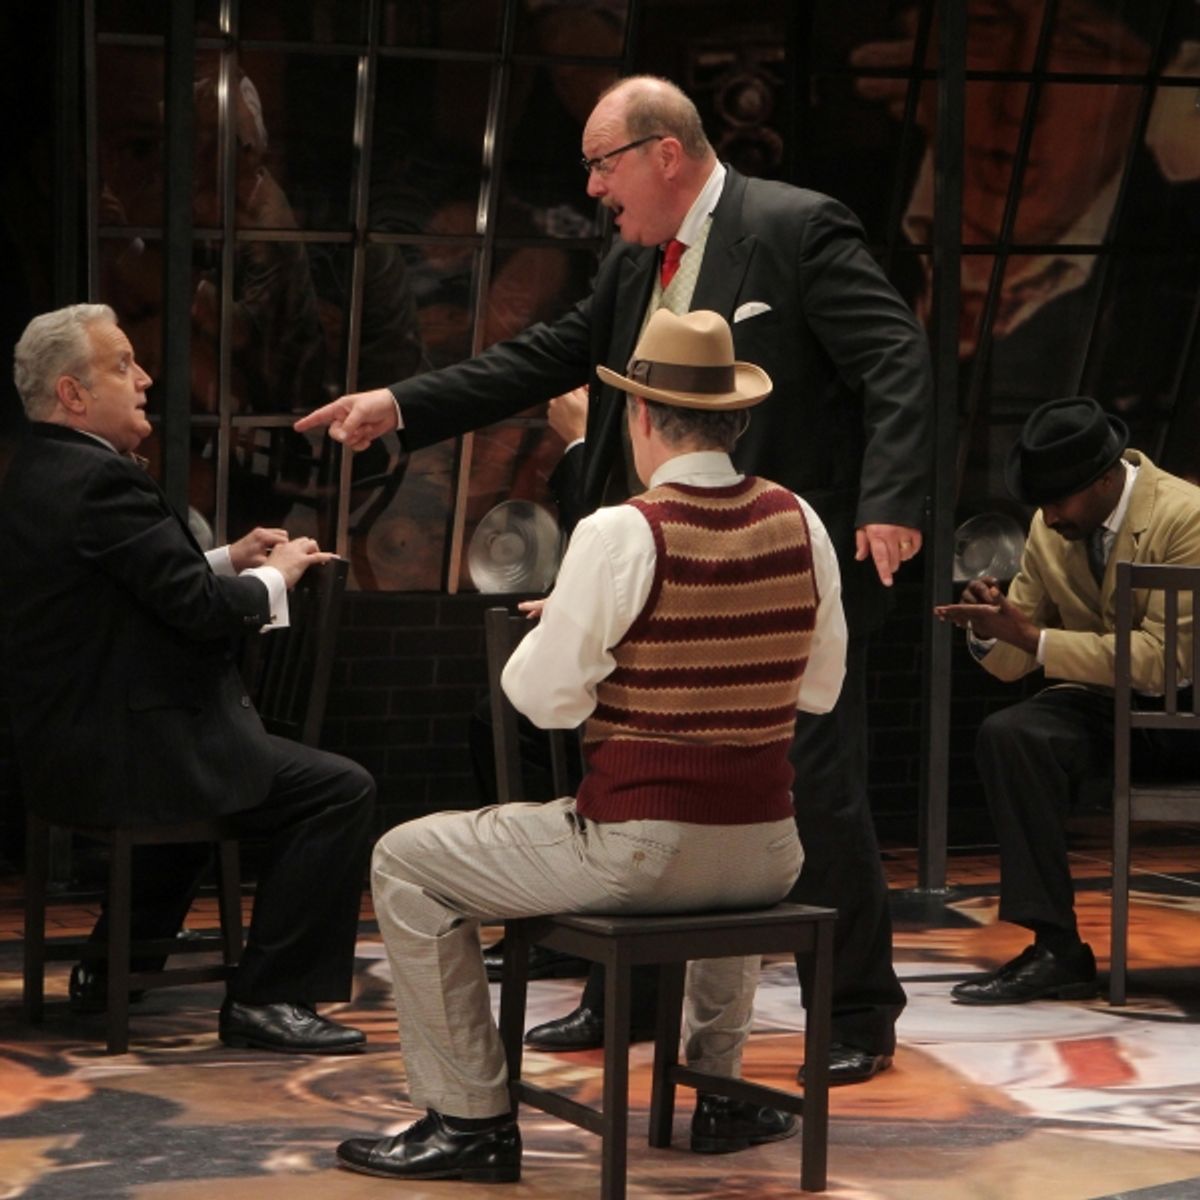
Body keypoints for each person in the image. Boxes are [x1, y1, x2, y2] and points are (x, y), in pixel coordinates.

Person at [297, 73, 931, 1085]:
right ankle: (623, 996)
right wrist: (402, 404)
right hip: (651, 553)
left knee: (814, 781)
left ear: (662, 154)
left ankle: (856, 1010)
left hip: (769, 552)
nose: (592, 188)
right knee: (625, 760)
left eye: (602, 164)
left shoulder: (796, 227)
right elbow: (552, 354)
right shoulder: (639, 262)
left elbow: (895, 354)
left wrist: (893, 498)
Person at [335, 308, 846, 1183]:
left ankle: (469, 1121)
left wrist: (576, 619)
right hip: (770, 848)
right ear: (735, 419)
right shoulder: (801, 520)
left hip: (640, 847)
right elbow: (820, 689)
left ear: (644, 419)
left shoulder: (622, 530)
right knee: (716, 863)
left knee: (404, 861)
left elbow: (542, 698)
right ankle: (717, 1094)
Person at [1, 304, 376, 1053]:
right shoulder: (99, 481)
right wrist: (276, 576)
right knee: (339, 790)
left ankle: (115, 969)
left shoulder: (41, 469)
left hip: (67, 748)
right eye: (121, 365)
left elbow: (137, 585)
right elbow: (202, 615)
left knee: (210, 764)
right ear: (72, 394)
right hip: (122, 752)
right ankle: (268, 1000)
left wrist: (232, 558)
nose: (144, 379)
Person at [935, 396, 1200, 1004]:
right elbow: (1016, 660)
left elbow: (1167, 661)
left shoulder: (1184, 517)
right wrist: (991, 626)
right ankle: (1056, 947)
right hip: (1110, 705)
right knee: (1012, 734)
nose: (1049, 518)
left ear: (1106, 479)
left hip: (1185, 714)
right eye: (1042, 504)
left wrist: (1035, 637)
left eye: (1059, 501)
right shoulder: (1047, 528)